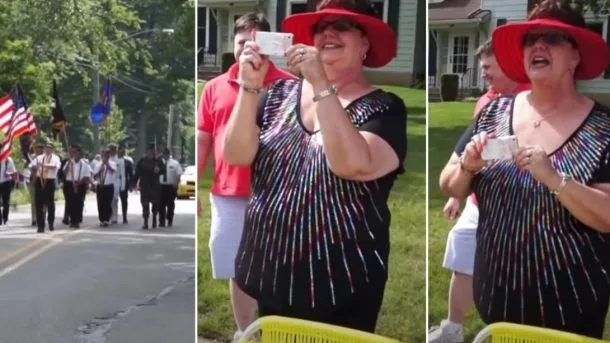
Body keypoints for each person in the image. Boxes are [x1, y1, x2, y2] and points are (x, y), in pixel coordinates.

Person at [222, 0, 406, 333]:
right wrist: (250, 86)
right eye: (320, 27)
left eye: (343, 25)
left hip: (341, 287)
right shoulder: (277, 94)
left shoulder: (385, 107)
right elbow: (235, 155)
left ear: (365, 44)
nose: (328, 32)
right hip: (271, 274)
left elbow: (352, 164)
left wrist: (321, 83)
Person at [439, 0, 610, 338]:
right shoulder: (493, 113)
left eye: (553, 38)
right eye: (531, 39)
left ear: (576, 56)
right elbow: (449, 185)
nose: (538, 46)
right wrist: (468, 168)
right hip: (497, 302)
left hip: (570, 308)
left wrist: (554, 179)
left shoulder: (603, 128)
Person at [198, 12, 295, 339]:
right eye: (242, 43)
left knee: (274, 266)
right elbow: (203, 138)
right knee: (236, 268)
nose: (248, 50)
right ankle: (245, 332)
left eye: (256, 43)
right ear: (233, 45)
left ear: (269, 45)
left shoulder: (289, 85)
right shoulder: (213, 87)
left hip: (276, 192)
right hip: (228, 191)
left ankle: (274, 329)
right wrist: (193, 187)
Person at [429, 40, 531, 343]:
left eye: (489, 66)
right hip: (480, 198)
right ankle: (453, 329)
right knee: (461, 249)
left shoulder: (532, 96)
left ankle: (506, 332)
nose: (483, 73)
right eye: (483, 66)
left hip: (521, 203)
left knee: (513, 272)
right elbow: (467, 154)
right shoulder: (487, 102)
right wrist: (454, 194)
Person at [29, 141, 61, 233]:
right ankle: (40, 226)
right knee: (38, 204)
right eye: (46, 148)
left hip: (49, 181)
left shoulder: (55, 158)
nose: (47, 149)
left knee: (50, 204)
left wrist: (42, 165)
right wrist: (34, 168)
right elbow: (31, 166)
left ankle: (50, 223)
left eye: (49, 148)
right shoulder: (39, 158)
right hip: (40, 180)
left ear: (52, 149)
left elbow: (54, 166)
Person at [132, 144, 164, 229]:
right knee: (145, 204)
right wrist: (134, 183)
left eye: (152, 150)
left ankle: (154, 218)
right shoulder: (142, 161)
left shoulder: (158, 161)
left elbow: (163, 171)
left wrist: (159, 170)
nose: (151, 151)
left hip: (154, 185)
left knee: (155, 204)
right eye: (149, 150)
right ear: (147, 151)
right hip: (145, 185)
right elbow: (137, 172)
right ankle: (145, 221)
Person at [62, 145, 91, 228]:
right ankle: (72, 220)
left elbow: (87, 176)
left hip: (80, 184)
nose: (73, 154)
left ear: (79, 153)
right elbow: (64, 172)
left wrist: (79, 182)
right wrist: (68, 164)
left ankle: (77, 220)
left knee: (78, 203)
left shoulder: (84, 164)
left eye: (75, 152)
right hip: (69, 184)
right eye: (72, 152)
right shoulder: (69, 162)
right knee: (70, 202)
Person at [159, 148, 182, 227]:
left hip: (171, 186)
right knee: (161, 204)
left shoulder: (175, 163)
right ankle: (161, 221)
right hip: (161, 186)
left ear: (169, 154)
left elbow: (179, 174)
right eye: (163, 153)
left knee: (170, 204)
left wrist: (177, 183)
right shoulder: (159, 163)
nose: (164, 155)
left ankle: (169, 219)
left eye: (166, 153)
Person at [93, 149, 116, 227]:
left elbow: (113, 171)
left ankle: (107, 219)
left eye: (106, 156)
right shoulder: (98, 164)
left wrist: (107, 165)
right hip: (100, 185)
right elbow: (95, 176)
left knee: (108, 202)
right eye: (103, 156)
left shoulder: (112, 163)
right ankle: (101, 219)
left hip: (109, 185)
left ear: (108, 156)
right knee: (100, 203)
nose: (104, 158)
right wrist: (100, 169)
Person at [118, 145, 133, 224]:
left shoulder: (128, 162)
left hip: (124, 182)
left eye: (122, 151)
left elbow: (131, 174)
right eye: (119, 151)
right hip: (115, 182)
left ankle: (124, 216)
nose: (120, 152)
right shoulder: (114, 161)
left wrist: (131, 185)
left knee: (124, 200)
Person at [109, 144, 123, 224]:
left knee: (115, 199)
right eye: (111, 149)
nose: (112, 151)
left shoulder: (119, 159)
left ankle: (115, 216)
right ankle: (110, 214)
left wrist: (122, 184)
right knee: (109, 199)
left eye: (114, 149)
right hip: (109, 180)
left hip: (117, 180)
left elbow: (121, 173)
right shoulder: (108, 159)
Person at [0, 156, 16, 225]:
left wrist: (9, 173)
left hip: (6, 182)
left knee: (6, 202)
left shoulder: (8, 159)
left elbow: (13, 172)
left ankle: (5, 219)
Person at [59, 152, 71, 225]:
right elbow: (60, 172)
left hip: (76, 182)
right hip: (66, 183)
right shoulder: (64, 162)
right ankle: (66, 217)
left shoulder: (79, 161)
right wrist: (61, 180)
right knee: (68, 200)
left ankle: (74, 217)